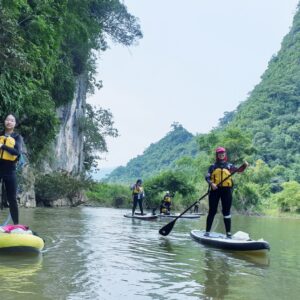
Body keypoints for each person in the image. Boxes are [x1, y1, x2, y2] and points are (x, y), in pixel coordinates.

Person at [204, 147, 248, 238]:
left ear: (225, 154)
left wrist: (244, 166)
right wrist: (212, 184)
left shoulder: (229, 166)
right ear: (217, 155)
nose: (221, 155)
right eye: (220, 153)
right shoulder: (212, 166)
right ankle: (207, 232)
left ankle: (228, 234)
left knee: (226, 211)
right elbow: (207, 177)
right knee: (212, 211)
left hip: (226, 191)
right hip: (214, 190)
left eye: (223, 153)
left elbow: (239, 170)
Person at [0, 114, 22, 225]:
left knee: (12, 199)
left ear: (15, 124)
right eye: (7, 119)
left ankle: (16, 225)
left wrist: (2, 146)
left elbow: (17, 152)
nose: (9, 122)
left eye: (12, 120)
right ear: (4, 121)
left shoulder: (17, 137)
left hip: (10, 170)